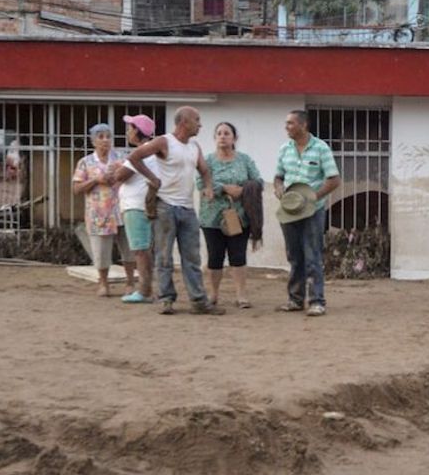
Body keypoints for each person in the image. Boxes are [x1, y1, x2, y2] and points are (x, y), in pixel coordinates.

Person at [126, 106, 224, 316]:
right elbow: (135, 156)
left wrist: (207, 186)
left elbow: (205, 171)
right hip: (165, 206)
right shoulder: (164, 142)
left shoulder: (194, 147)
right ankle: (166, 299)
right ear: (183, 123)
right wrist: (152, 178)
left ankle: (198, 301)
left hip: (187, 208)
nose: (200, 124)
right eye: (196, 120)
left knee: (192, 257)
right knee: (164, 257)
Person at [273, 109, 341, 317]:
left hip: (313, 211)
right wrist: (278, 188)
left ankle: (317, 301)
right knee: (294, 256)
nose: (287, 127)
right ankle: (295, 299)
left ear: (303, 125)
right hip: (290, 210)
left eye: (291, 123)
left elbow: (334, 180)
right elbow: (278, 177)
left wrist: (313, 197)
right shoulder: (285, 149)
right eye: (286, 123)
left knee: (312, 256)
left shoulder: (321, 149)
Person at [199, 122, 263, 308]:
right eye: (218, 133)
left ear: (234, 138)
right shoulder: (207, 161)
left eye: (227, 133)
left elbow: (257, 181)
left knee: (238, 255)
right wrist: (225, 188)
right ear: (214, 138)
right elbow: (200, 182)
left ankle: (241, 295)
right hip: (212, 217)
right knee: (214, 256)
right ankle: (213, 294)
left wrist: (242, 190)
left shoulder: (244, 160)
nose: (222, 136)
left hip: (239, 216)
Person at [71, 123, 134, 297]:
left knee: (128, 248)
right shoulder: (85, 162)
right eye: (100, 137)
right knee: (101, 251)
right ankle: (103, 284)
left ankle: (130, 282)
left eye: (108, 136)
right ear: (93, 141)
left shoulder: (121, 158)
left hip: (122, 209)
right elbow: (76, 188)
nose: (105, 140)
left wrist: (119, 173)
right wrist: (96, 180)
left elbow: (132, 175)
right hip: (98, 213)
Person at [111, 113, 159, 304]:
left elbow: (120, 175)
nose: (128, 132)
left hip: (135, 206)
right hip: (144, 205)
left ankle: (144, 291)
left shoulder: (140, 153)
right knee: (145, 249)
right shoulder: (152, 152)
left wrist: (117, 168)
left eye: (130, 128)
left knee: (140, 249)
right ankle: (147, 288)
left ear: (138, 132)